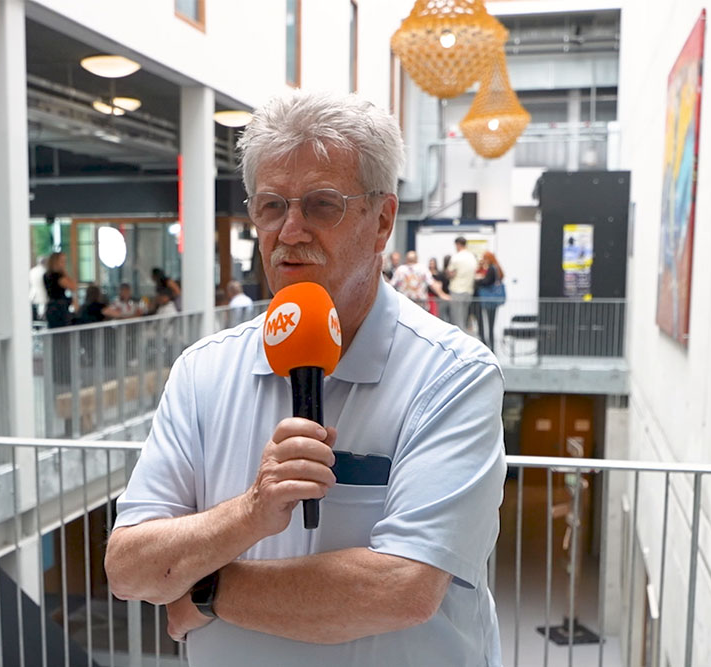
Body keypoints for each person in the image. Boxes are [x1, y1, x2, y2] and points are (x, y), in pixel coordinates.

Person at [105, 90, 505, 667]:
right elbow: (129, 568)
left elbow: (401, 588)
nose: (290, 230)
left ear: (382, 221)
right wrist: (249, 513)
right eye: (271, 206)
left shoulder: (453, 376)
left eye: (321, 205)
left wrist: (207, 589)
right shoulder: (203, 372)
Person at [473, 250, 505, 350]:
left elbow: (487, 282)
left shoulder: (491, 268)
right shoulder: (497, 268)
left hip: (489, 300)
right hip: (494, 301)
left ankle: (491, 349)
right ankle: (492, 348)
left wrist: (478, 280)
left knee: (490, 326)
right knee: (491, 325)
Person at [447, 236, 478, 332]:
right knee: (464, 318)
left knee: (456, 320)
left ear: (458, 244)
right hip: (468, 291)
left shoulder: (456, 257)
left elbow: (450, 273)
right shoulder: (472, 257)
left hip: (457, 290)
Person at [43, 252, 76, 329]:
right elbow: (73, 286)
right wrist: (65, 273)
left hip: (51, 306)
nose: (64, 264)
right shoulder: (57, 276)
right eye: (62, 261)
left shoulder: (46, 275)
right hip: (60, 308)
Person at [29, 254, 48, 321]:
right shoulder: (45, 272)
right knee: (42, 313)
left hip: (33, 294)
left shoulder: (32, 271)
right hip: (43, 294)